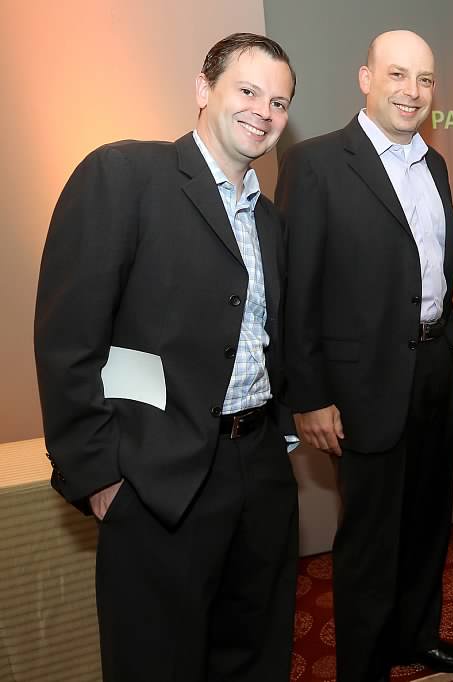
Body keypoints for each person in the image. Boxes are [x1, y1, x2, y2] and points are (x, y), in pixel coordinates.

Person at [34, 33, 298, 681]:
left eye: (279, 102)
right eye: (248, 90)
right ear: (203, 89)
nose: (264, 111)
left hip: (258, 470)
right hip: (157, 478)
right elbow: (69, 340)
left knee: (255, 652)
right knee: (156, 661)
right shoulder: (125, 175)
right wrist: (99, 476)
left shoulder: (267, 219)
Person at [275, 30, 453, 681]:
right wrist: (308, 396)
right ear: (366, 79)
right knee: (369, 537)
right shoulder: (315, 163)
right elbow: (297, 289)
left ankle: (416, 636)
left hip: (434, 368)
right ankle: (362, 668)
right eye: (397, 75)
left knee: (428, 520)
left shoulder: (435, 164)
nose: (412, 91)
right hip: (361, 385)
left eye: (424, 79)